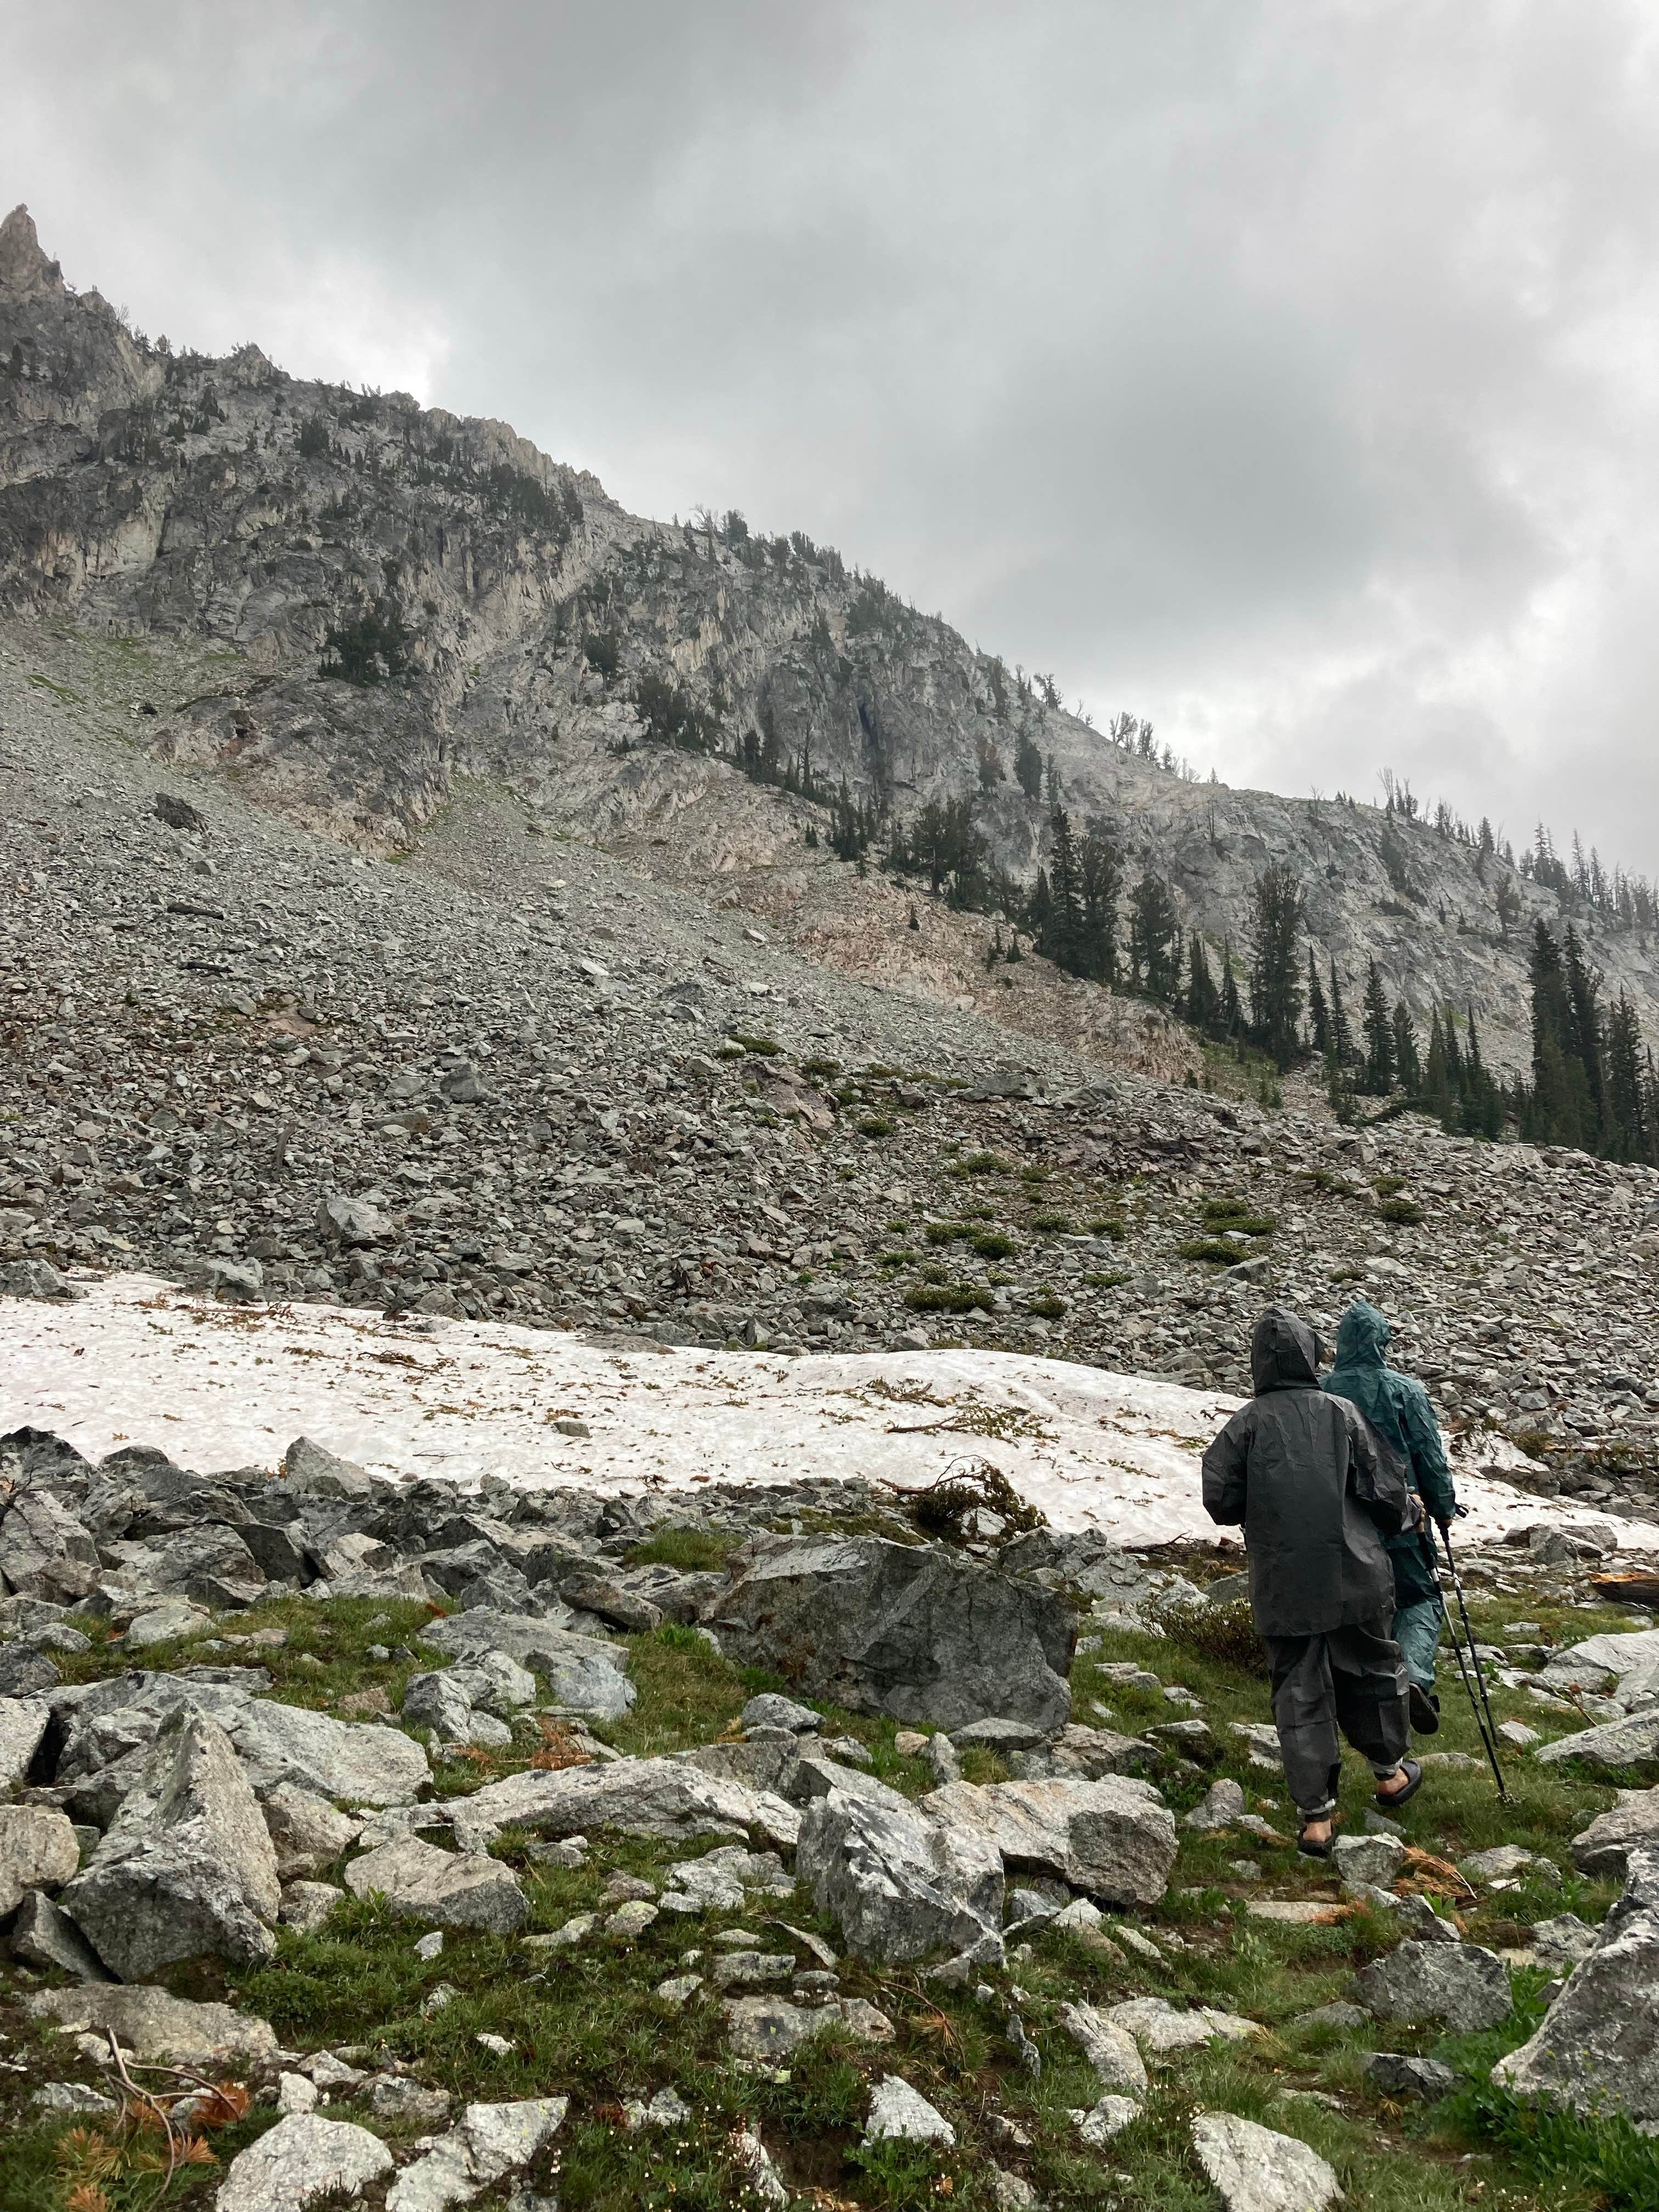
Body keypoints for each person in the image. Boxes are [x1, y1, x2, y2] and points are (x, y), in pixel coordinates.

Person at [1202, 1305, 1420, 1856]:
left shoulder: (1243, 1426)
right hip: (1356, 1571)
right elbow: (1383, 1490)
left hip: (1284, 1581)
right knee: (1371, 1667)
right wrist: (1409, 1514)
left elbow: (1220, 1502)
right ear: (1312, 1353)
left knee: (1298, 1690)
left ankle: (1316, 1820)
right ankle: (1390, 1772)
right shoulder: (1341, 1415)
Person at [1321, 1299, 1457, 1737]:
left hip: (1342, 1526)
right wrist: (1443, 1508)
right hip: (1402, 1521)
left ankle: (1356, 1691)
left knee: (1356, 1612)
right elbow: (1430, 1457)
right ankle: (1413, 1677)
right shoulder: (1406, 1391)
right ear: (1381, 1343)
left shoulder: (1319, 1393)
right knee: (1418, 1600)